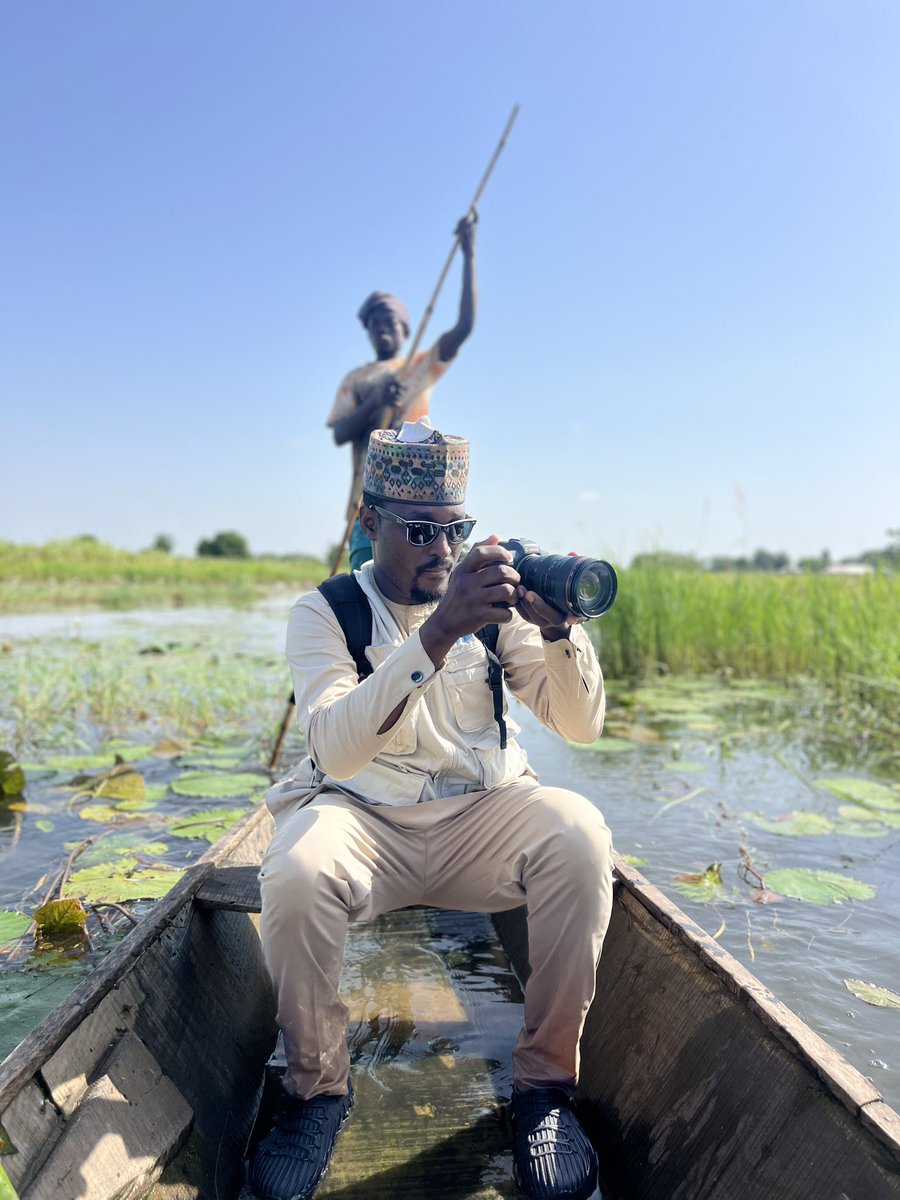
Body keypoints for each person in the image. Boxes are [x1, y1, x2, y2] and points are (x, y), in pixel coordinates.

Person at [251, 421, 614, 1200]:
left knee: (581, 832)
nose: (442, 550)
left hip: (480, 820)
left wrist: (557, 632)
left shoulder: (498, 609)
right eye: (420, 531)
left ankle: (544, 1089)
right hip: (364, 821)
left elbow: (582, 728)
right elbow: (336, 751)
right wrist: (442, 629)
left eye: (455, 530)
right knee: (295, 866)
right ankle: (316, 1092)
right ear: (369, 523)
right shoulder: (327, 613)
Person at [327, 211, 478, 572]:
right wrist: (376, 402)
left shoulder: (417, 367)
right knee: (369, 593)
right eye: (375, 324)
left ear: (405, 329)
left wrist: (468, 254)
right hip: (372, 506)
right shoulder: (357, 379)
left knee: (429, 594)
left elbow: (464, 326)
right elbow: (340, 433)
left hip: (426, 506)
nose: (382, 330)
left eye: (389, 322)